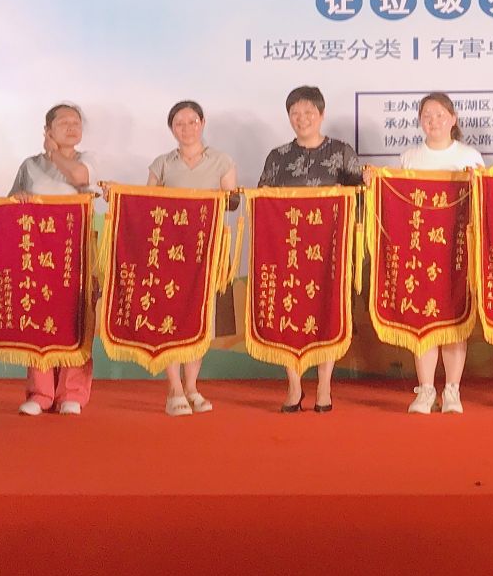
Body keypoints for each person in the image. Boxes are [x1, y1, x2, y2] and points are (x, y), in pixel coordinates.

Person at [258, 85, 363, 414]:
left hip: (328, 249)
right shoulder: (278, 157)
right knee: (288, 311)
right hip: (287, 249)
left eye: (309, 113)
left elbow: (361, 196)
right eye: (295, 113)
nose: (302, 119)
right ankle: (293, 384)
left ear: (322, 114)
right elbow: (263, 201)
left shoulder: (342, 152)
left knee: (327, 311)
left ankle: (324, 385)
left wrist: (365, 184)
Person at [146, 100, 238, 417]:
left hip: (207, 249)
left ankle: (192, 387)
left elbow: (231, 202)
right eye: (179, 123)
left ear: (202, 123)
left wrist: (223, 197)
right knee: (171, 317)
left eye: (192, 121)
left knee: (202, 319)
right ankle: (173, 388)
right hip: (170, 252)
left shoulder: (222, 160)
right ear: (172, 129)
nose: (186, 128)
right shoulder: (161, 164)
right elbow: (148, 205)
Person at [399, 92, 484, 415]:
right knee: (423, 320)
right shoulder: (409, 158)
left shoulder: (468, 156)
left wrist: (477, 182)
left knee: (453, 321)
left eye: (439, 115)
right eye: (427, 116)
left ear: (453, 119)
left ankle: (452, 390)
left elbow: (483, 205)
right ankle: (425, 390)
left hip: (455, 251)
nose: (433, 121)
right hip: (420, 251)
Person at [9, 103, 95, 417]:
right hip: (39, 254)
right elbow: (10, 205)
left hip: (76, 251)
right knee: (38, 316)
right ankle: (41, 392)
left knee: (76, 320)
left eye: (76, 123)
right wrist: (18, 200)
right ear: (47, 130)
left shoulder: (87, 160)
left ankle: (72, 393)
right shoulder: (30, 165)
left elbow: (78, 177)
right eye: (63, 122)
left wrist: (54, 152)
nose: (72, 127)